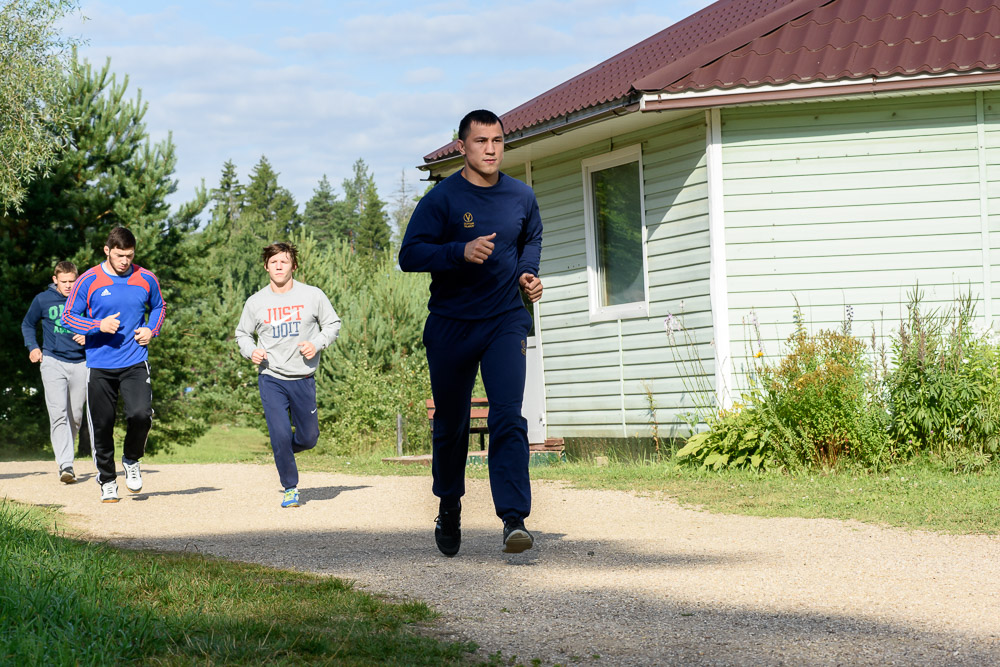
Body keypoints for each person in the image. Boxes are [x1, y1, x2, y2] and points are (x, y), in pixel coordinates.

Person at [399, 109, 544, 556]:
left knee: (507, 416)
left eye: (498, 141)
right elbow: (410, 254)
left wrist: (527, 274)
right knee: (451, 423)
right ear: (462, 146)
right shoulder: (442, 199)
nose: (491, 149)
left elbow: (531, 239)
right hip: (450, 325)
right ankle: (449, 504)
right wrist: (459, 251)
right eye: (481, 141)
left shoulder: (521, 196)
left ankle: (514, 520)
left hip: (504, 320)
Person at [62, 227, 165, 503]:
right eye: (119, 255)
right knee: (103, 425)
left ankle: (131, 459)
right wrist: (98, 325)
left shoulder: (146, 278)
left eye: (129, 256)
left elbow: (159, 307)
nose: (125, 261)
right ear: (107, 250)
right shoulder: (88, 280)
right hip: (99, 365)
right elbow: (68, 316)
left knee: (141, 415)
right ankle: (107, 480)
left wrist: (151, 330)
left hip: (135, 361)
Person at [235, 242, 341, 508]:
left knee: (308, 438)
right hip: (271, 377)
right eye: (273, 262)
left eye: (284, 261)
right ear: (266, 266)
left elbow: (332, 323)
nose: (279, 266)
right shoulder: (256, 302)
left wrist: (316, 344)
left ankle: (283, 452)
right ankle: (290, 487)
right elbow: (243, 334)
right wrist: (251, 352)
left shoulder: (313, 295)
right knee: (280, 434)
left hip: (303, 377)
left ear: (293, 265)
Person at [21, 261, 88, 483]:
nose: (69, 286)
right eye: (64, 281)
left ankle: (67, 455)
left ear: (77, 279)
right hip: (52, 360)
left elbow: (99, 324)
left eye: (72, 281)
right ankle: (66, 464)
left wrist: (90, 335)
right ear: (55, 280)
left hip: (81, 362)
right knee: (58, 413)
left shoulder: (85, 299)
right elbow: (28, 324)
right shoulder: (42, 299)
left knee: (74, 417)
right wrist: (33, 347)